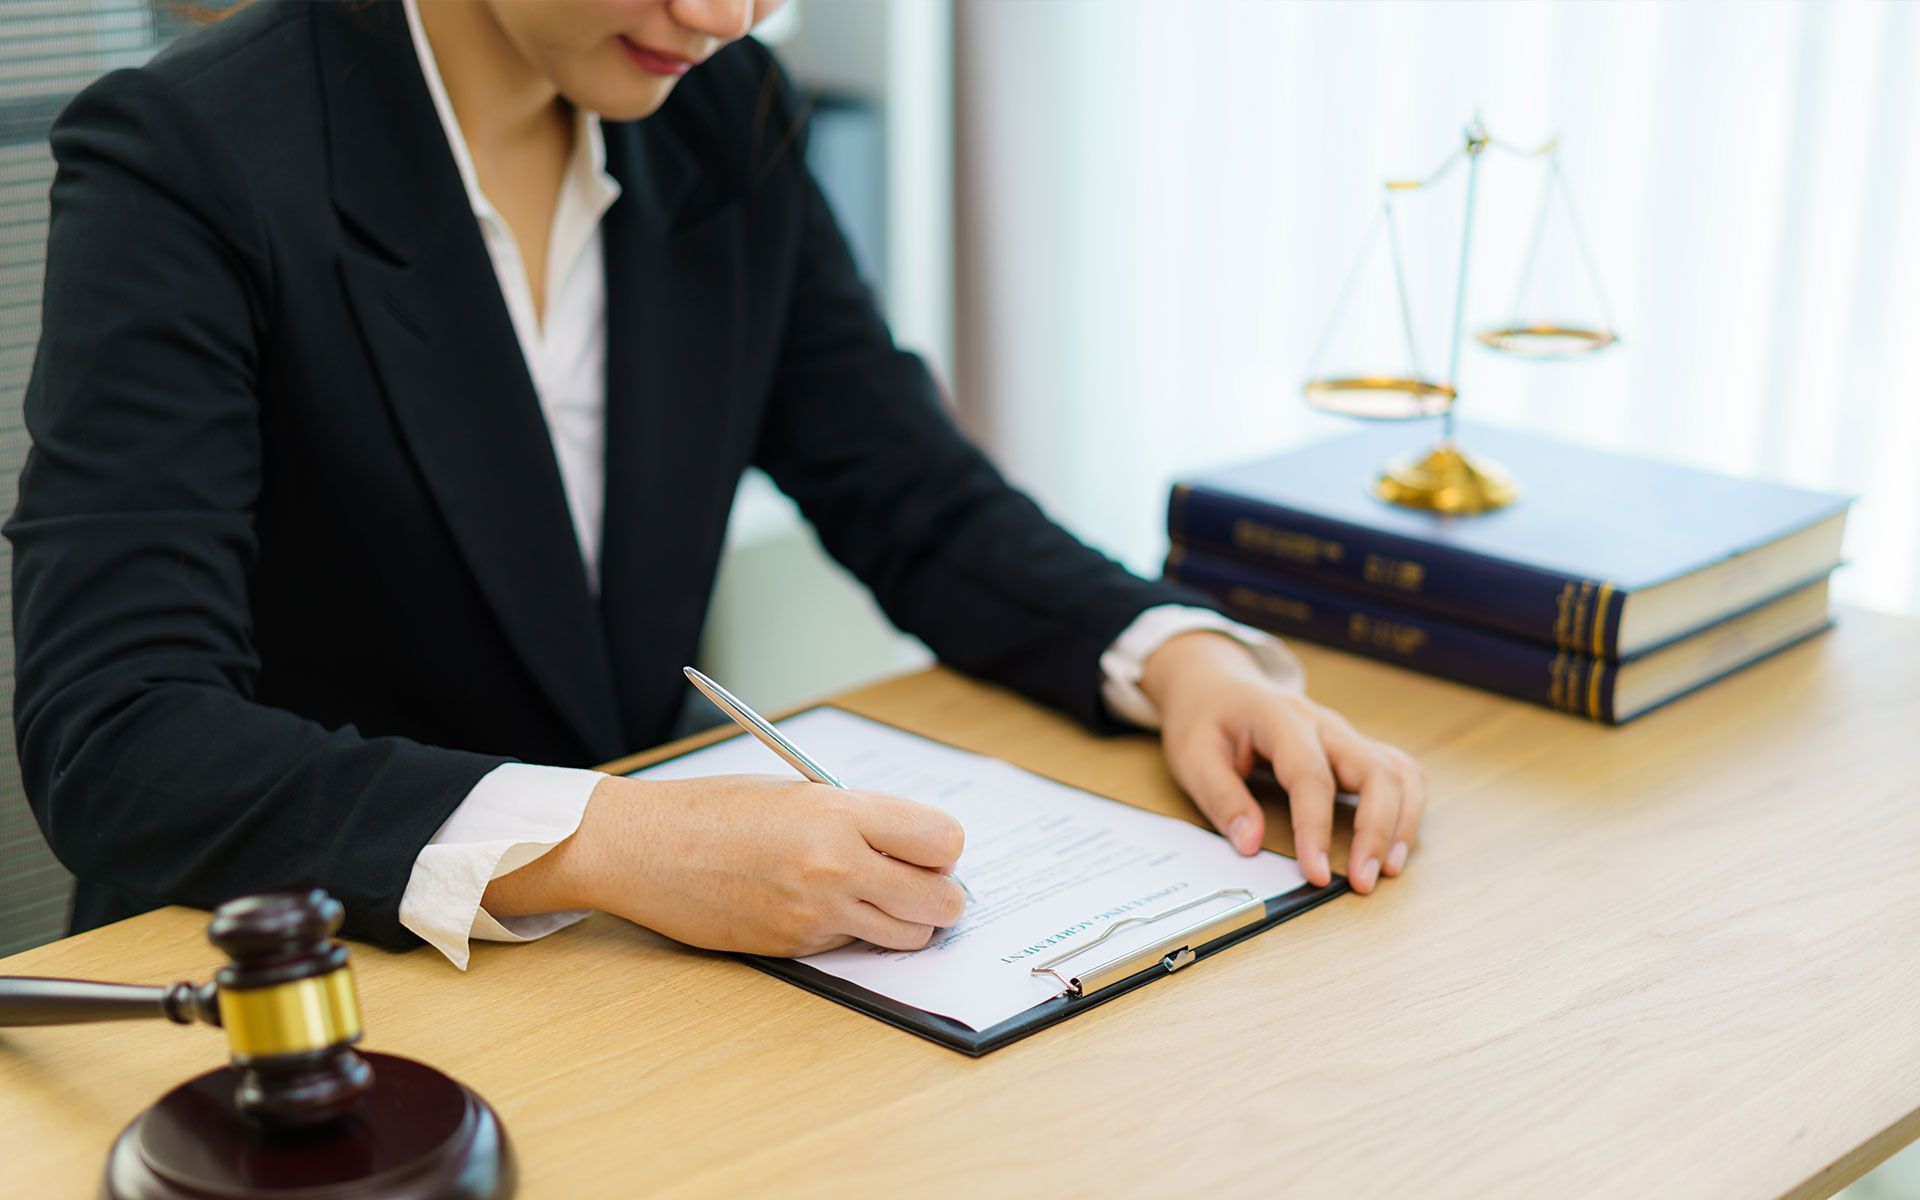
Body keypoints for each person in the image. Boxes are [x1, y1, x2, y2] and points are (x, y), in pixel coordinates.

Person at [8, 0, 1425, 968]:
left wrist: (1179, 661)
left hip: (637, 989)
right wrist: (607, 840)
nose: (727, 11)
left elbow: (906, 489)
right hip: (298, 989)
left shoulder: (722, 112)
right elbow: (119, 737)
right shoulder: (187, 157)